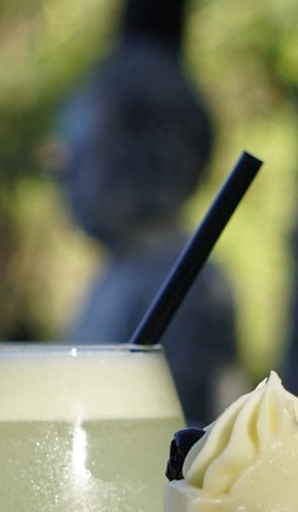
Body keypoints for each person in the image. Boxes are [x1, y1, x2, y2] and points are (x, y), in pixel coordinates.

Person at [56, 40, 238, 423]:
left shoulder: (186, 289)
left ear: (145, 160)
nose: (64, 173)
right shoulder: (115, 276)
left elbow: (190, 445)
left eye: (85, 154)